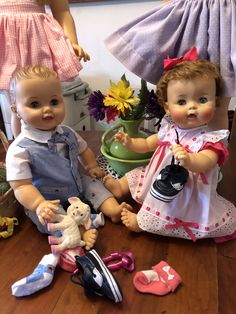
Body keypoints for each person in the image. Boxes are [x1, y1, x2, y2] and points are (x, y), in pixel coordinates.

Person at [103, 50, 236, 242]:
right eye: (182, 101)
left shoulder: (211, 139)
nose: (192, 107)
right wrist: (130, 142)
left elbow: (207, 161)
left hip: (185, 189)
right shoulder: (169, 129)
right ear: (167, 107)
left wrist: (190, 160)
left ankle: (143, 223)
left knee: (166, 203)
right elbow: (148, 144)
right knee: (138, 174)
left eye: (202, 100)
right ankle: (120, 187)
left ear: (215, 103)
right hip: (157, 177)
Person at [6, 65, 132, 250]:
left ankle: (112, 209)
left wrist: (90, 166)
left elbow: (84, 150)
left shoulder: (68, 133)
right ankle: (79, 233)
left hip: (75, 182)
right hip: (47, 196)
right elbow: (21, 185)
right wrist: (39, 204)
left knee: (93, 183)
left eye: (54, 101)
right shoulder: (20, 149)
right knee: (51, 218)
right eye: (34, 104)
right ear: (16, 109)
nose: (47, 109)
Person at [105, 0, 236, 130]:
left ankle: (216, 149)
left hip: (226, 24)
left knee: (218, 105)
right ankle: (176, 144)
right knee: (180, 91)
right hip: (191, 21)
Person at [0, 0, 90, 137]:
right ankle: (21, 149)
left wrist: (72, 43)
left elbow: (63, 12)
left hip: (37, 43)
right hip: (6, 48)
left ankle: (54, 145)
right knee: (16, 107)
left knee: (48, 102)